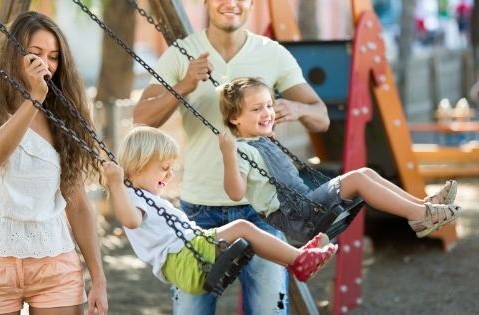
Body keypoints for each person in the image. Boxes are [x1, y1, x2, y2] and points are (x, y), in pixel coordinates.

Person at [133, 0, 329, 313]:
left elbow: (321, 116)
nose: (231, 4)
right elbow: (141, 118)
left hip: (262, 211)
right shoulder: (184, 53)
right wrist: (185, 84)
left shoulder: (272, 53)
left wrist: (298, 109)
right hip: (199, 213)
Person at [0, 11, 108, 315]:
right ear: (13, 55)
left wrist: (99, 279)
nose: (46, 64)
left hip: (54, 262)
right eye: (35, 53)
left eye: (53, 57)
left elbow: (77, 205)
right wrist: (33, 99)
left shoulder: (62, 118)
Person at [218, 77, 463, 244]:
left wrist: (265, 130)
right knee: (357, 178)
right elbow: (235, 193)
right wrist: (228, 155)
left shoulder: (260, 141)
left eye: (269, 105)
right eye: (256, 109)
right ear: (235, 119)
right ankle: (420, 215)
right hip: (297, 216)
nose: (267, 113)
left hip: (303, 206)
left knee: (365, 173)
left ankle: (422, 206)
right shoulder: (240, 150)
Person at [103, 126, 338, 295]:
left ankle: (297, 261)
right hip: (184, 260)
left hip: (188, 254)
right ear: (138, 165)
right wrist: (115, 183)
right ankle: (298, 259)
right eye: (164, 168)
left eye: (172, 168)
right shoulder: (132, 196)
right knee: (243, 228)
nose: (170, 174)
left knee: (245, 234)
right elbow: (130, 221)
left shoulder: (142, 196)